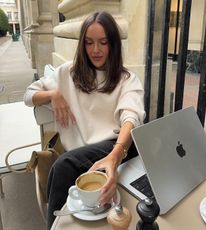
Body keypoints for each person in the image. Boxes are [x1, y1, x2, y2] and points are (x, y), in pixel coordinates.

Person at [24, 11, 145, 229]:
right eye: (89, 43)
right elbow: (28, 96)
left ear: (113, 45)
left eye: (103, 42)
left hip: (119, 147)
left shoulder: (127, 79)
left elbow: (132, 117)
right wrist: (53, 95)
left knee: (63, 166)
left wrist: (115, 155)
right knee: (64, 166)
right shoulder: (67, 73)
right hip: (81, 156)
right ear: (82, 44)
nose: (95, 50)